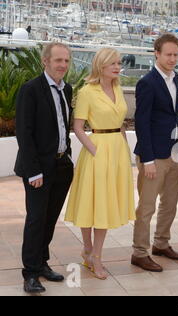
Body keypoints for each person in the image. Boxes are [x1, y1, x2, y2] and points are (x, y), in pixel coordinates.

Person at [65, 48, 135, 280]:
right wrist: (95, 150)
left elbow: (121, 123)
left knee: (105, 203)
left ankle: (96, 254)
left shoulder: (117, 88)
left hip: (116, 149)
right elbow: (77, 127)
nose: (117, 67)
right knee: (92, 202)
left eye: (118, 63)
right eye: (112, 63)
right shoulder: (88, 91)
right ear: (101, 66)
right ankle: (89, 250)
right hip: (97, 151)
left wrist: (125, 151)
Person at [15, 43, 74, 293]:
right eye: (58, 60)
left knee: (50, 220)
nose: (62, 65)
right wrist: (33, 171)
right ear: (45, 61)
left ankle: (42, 263)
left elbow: (63, 125)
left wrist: (68, 155)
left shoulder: (67, 89)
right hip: (38, 169)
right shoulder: (31, 90)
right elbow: (24, 134)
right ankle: (30, 273)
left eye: (66, 61)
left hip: (61, 165)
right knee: (36, 220)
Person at [132, 33, 178, 272]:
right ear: (156, 53)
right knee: (146, 207)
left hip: (172, 152)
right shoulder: (147, 82)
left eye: (176, 54)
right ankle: (139, 252)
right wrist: (148, 159)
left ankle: (161, 244)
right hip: (153, 154)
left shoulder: (176, 78)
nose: (173, 59)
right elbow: (141, 122)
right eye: (168, 54)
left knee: (170, 203)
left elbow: (172, 115)